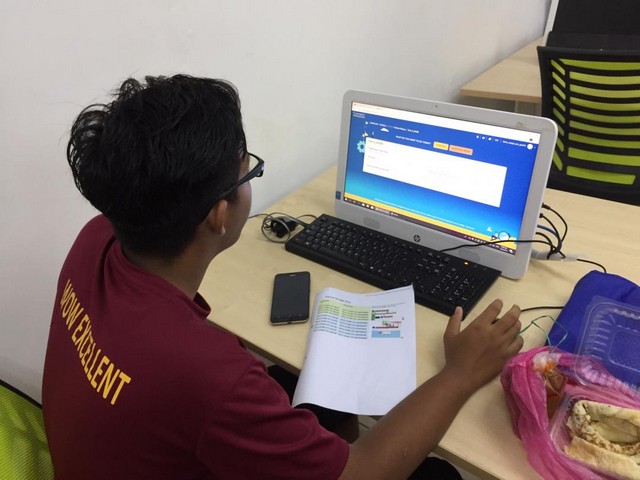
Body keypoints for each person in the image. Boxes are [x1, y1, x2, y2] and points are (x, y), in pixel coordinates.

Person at [42, 74, 524, 479]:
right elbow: (362, 474)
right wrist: (461, 373)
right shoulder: (210, 375)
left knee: (316, 389)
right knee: (436, 475)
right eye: (248, 172)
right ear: (219, 215)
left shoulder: (96, 238)